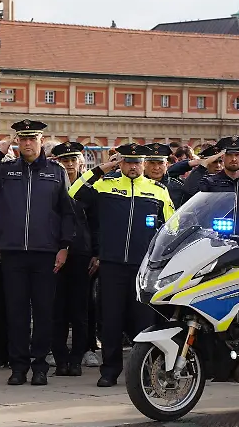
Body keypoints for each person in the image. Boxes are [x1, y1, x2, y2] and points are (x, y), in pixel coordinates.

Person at [0, 119, 75, 387]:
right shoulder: (6, 169)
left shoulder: (56, 171)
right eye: (23, 139)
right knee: (16, 313)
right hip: (13, 252)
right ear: (16, 141)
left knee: (43, 313)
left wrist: (64, 246)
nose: (27, 143)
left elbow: (67, 212)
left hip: (45, 253)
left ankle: (40, 366)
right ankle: (18, 367)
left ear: (41, 140)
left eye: (32, 138)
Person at [69, 144, 175, 387]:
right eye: (128, 162)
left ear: (144, 164)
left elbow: (172, 227)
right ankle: (110, 370)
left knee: (144, 321)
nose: (133, 167)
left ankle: (145, 370)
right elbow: (74, 193)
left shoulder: (158, 190)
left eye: (137, 162)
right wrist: (101, 169)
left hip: (143, 268)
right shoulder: (105, 185)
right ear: (121, 163)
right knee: (111, 320)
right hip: (111, 264)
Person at [50, 142, 96, 378]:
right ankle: (60, 359)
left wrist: (97, 253)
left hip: (81, 253)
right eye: (64, 160)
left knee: (80, 310)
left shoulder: (89, 189)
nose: (68, 164)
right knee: (56, 309)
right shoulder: (52, 185)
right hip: (54, 251)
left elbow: (97, 222)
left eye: (72, 160)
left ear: (80, 162)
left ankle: (77, 358)